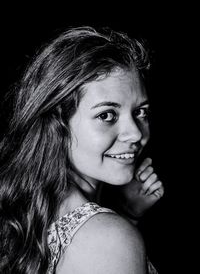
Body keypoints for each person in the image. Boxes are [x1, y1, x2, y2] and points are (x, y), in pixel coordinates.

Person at [0, 26, 164, 273]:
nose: (136, 133)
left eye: (141, 112)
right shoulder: (109, 241)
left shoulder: (25, 217)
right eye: (107, 115)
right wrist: (119, 227)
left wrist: (128, 214)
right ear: (58, 125)